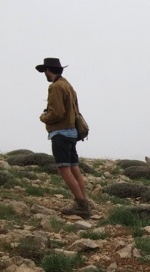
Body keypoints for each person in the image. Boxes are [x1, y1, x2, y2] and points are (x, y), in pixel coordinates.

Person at [36, 57, 91, 218]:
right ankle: (84, 202)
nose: (45, 74)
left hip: (60, 133)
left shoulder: (55, 87)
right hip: (72, 132)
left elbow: (57, 113)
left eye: (45, 71)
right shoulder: (68, 85)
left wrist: (43, 117)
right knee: (74, 168)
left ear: (48, 70)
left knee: (64, 169)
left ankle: (81, 205)